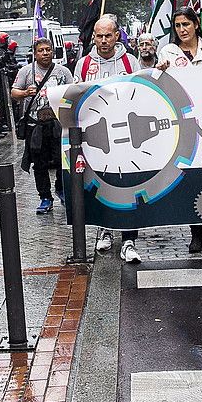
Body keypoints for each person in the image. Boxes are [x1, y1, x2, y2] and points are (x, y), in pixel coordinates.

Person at [158, 8, 202, 253]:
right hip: (184, 122)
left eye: (186, 24)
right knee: (188, 177)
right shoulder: (168, 51)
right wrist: (161, 71)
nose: (182, 30)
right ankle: (195, 231)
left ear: (196, 24)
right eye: (177, 26)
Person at [79, 15, 144, 263]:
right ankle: (104, 229)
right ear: (93, 36)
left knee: (129, 185)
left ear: (117, 35)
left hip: (128, 137)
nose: (103, 41)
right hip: (99, 138)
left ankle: (129, 239)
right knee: (102, 184)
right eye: (99, 36)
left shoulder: (130, 61)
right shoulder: (84, 64)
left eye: (108, 35)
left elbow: (142, 93)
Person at [12, 37, 74, 214]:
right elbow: (13, 93)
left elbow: (73, 91)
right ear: (35, 52)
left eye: (48, 49)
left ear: (53, 51)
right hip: (35, 125)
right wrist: (25, 92)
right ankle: (45, 197)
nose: (45, 53)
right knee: (39, 164)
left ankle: (61, 188)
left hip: (58, 124)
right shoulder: (26, 71)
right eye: (41, 50)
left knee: (63, 161)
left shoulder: (63, 72)